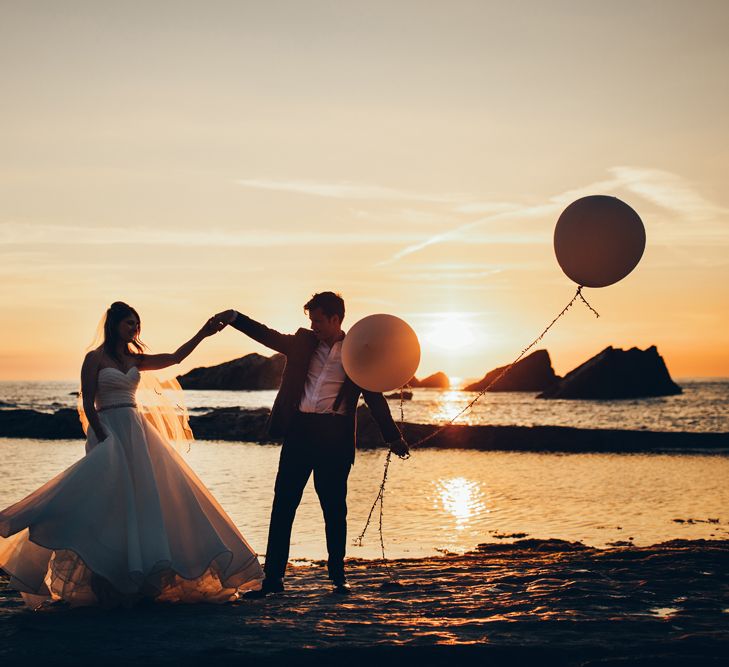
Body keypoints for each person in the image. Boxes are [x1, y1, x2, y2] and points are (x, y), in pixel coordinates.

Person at [0, 301, 263, 608]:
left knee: (146, 501)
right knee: (102, 502)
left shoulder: (135, 359)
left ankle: (141, 577)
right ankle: (95, 572)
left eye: (137, 324)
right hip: (108, 431)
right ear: (113, 325)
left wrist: (203, 333)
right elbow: (87, 403)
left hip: (137, 432)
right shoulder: (94, 358)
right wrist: (102, 437)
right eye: (129, 323)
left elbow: (175, 358)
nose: (134, 329)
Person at [215, 292, 408, 596]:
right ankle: (274, 580)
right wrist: (236, 319)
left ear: (335, 319)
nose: (313, 325)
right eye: (311, 320)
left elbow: (374, 396)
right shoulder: (303, 343)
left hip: (335, 437)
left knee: (334, 509)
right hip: (300, 432)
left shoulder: (357, 351)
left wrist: (393, 437)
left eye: (318, 320)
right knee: (283, 506)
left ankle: (338, 577)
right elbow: (268, 336)